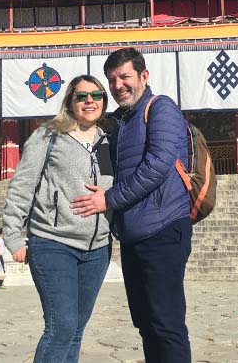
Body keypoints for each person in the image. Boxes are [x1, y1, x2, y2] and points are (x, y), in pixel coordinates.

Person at [71, 47, 193, 363]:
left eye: (124, 76)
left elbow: (158, 165)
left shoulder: (161, 108)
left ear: (143, 76)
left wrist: (108, 199)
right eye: (112, 80)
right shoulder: (123, 121)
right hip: (133, 233)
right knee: (145, 323)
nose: (118, 85)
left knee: (166, 323)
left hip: (163, 229)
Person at [2, 75, 114, 363]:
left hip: (98, 248)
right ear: (70, 102)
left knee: (76, 329)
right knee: (61, 326)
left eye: (96, 95)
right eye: (82, 96)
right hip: (54, 242)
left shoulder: (109, 141)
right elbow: (22, 185)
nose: (90, 101)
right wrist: (13, 236)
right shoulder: (48, 135)